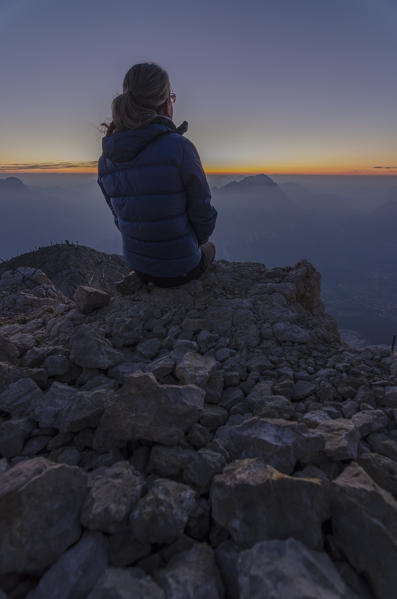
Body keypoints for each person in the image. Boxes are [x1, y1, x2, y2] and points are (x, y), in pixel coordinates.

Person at [97, 61, 217, 288]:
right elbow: (203, 214)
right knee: (209, 250)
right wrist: (193, 245)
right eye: (171, 97)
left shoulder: (106, 159)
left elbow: (120, 218)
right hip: (182, 269)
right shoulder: (180, 148)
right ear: (164, 104)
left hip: (138, 266)